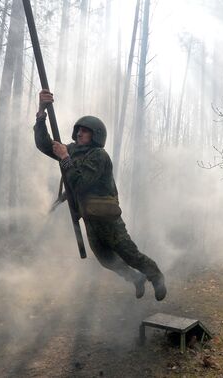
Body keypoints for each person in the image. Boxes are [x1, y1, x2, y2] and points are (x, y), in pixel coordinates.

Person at [33, 89, 166, 300]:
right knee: (106, 259)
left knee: (129, 254)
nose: (79, 134)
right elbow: (43, 144)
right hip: (89, 219)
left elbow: (81, 183)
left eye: (85, 131)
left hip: (107, 219)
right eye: (78, 130)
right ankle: (135, 279)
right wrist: (41, 112)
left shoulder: (99, 156)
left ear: (95, 135)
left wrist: (65, 158)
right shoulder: (71, 150)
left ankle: (155, 276)